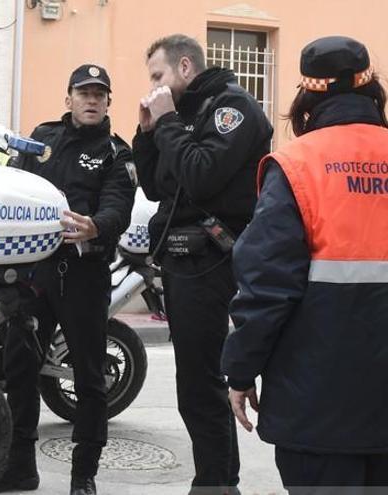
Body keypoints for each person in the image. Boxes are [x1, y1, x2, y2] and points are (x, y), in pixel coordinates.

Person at [221, 36, 388, 492]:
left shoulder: (299, 166)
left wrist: (240, 371)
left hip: (319, 405)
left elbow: (266, 286)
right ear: (372, 88)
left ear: (306, 97)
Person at [0, 64, 136, 495]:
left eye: (99, 94)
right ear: (68, 98)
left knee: (89, 378)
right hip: (35, 273)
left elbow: (118, 207)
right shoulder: (42, 139)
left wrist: (97, 226)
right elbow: (13, 185)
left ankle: (83, 474)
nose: (91, 100)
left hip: (84, 275)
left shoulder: (116, 154)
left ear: (108, 102)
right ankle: (19, 467)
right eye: (83, 93)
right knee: (19, 369)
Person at [131, 34, 273, 493]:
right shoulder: (184, 115)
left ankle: (215, 483)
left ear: (185, 67)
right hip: (182, 262)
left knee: (201, 382)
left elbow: (201, 176)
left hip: (213, 258)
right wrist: (147, 133)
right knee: (194, 381)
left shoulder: (232, 108)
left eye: (158, 76)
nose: (152, 86)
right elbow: (155, 186)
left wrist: (168, 122)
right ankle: (217, 481)